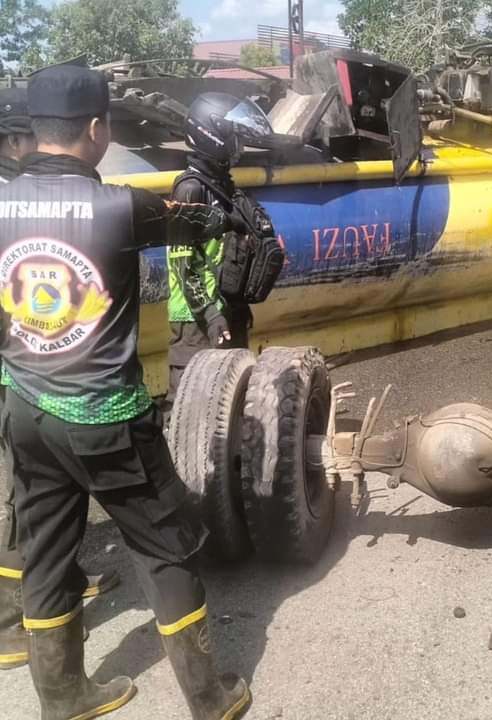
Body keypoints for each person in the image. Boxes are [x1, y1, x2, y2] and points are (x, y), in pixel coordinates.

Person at [0, 65, 251, 719]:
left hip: (25, 409)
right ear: (94, 129)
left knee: (48, 551)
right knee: (166, 546)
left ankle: (63, 698)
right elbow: (196, 224)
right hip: (104, 417)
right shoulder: (120, 206)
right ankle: (209, 696)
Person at [0, 87, 118, 673]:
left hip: (21, 386)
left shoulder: (11, 197)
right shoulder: (107, 204)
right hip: (56, 392)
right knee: (20, 508)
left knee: (39, 517)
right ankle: (7, 626)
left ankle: (53, 664)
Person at [166, 93, 255, 408]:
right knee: (192, 406)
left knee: (232, 404)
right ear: (211, 134)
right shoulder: (190, 189)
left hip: (227, 311)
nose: (239, 146)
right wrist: (210, 313)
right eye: (234, 136)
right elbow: (181, 261)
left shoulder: (224, 186)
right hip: (195, 321)